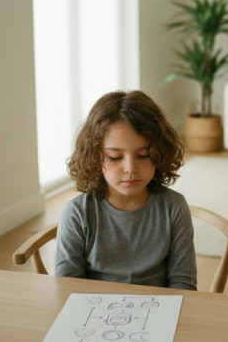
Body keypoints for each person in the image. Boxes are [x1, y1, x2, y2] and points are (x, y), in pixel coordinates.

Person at [56, 90, 197, 290]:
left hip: (160, 311)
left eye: (143, 154)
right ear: (96, 156)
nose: (130, 168)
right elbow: (67, 287)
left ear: (159, 153)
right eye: (115, 156)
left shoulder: (174, 207)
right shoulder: (78, 213)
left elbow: (183, 283)